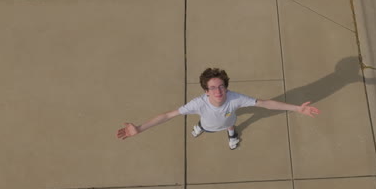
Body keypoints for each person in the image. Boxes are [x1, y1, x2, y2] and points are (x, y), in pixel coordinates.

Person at [117, 68, 320, 150]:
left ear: (227, 87)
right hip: (207, 123)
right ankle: (201, 128)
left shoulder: (236, 98)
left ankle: (232, 135)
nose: (218, 90)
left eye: (221, 86)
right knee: (204, 126)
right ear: (206, 90)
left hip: (229, 121)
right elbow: (168, 115)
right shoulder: (198, 104)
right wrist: (141, 128)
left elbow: (265, 103)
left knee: (230, 126)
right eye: (212, 87)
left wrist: (296, 109)